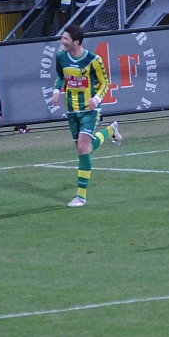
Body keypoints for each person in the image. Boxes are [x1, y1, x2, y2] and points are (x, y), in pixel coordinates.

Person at [51, 25, 123, 208]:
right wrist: (56, 90)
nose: (62, 41)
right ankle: (110, 130)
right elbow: (60, 75)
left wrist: (97, 98)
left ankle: (81, 196)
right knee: (86, 149)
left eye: (65, 39)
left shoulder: (93, 60)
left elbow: (105, 82)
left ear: (76, 42)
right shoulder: (61, 57)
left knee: (83, 148)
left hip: (89, 110)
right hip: (71, 109)